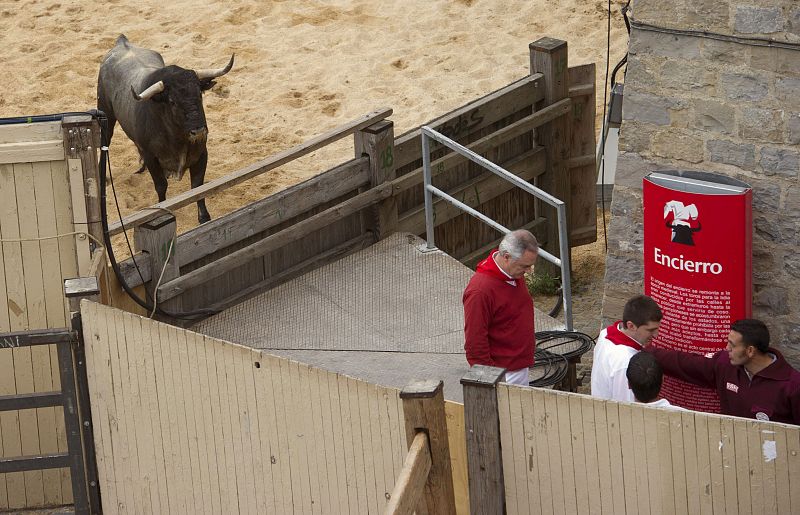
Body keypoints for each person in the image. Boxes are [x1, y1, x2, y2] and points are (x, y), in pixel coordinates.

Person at [645, 319, 800, 425]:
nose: (727, 348)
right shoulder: (725, 364)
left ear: (750, 350)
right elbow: (686, 363)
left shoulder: (792, 386)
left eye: (732, 345)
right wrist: (644, 351)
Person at [463, 230, 538, 386]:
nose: (528, 271)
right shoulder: (480, 291)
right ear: (506, 257)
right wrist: (491, 381)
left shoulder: (513, 273)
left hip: (518, 367)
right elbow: (475, 344)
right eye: (525, 266)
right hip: (504, 376)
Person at [591, 295, 662, 402]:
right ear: (631, 326)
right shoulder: (626, 362)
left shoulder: (605, 332)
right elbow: (627, 407)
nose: (656, 335)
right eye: (651, 330)